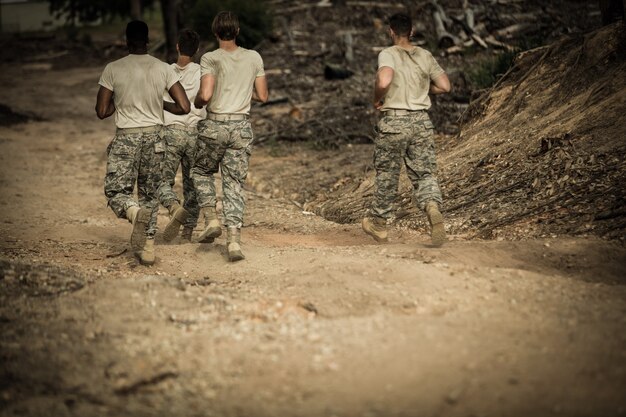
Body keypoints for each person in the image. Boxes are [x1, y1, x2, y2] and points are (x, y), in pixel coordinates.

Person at [96, 20, 190, 265]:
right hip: (155, 138)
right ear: (147, 41)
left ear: (127, 41)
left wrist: (123, 100)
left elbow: (101, 110)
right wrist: (158, 103)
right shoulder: (163, 69)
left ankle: (132, 212)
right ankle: (148, 248)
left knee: (116, 191)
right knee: (150, 194)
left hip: (127, 137)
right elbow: (184, 106)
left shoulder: (113, 68)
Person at [362, 13, 451, 247]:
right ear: (411, 32)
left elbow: (383, 81)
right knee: (425, 173)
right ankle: (432, 207)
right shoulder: (425, 55)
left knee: (388, 175)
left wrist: (377, 98)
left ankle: (379, 225)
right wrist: (422, 90)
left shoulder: (388, 54)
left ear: (391, 31)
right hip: (421, 122)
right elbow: (445, 85)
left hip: (395, 122)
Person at [193, 11, 268, 262]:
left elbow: (205, 94)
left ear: (215, 33)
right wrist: (243, 92)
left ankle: (211, 219)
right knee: (234, 183)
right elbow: (263, 96)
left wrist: (197, 101)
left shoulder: (210, 58)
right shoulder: (254, 57)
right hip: (241, 127)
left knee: (201, 171)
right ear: (236, 32)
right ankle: (234, 241)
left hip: (215, 125)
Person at [158, 29, 206, 243]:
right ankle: (187, 232)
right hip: (195, 133)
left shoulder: (165, 71)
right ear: (197, 50)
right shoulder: (203, 71)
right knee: (192, 184)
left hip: (171, 132)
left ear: (177, 46)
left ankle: (173, 206)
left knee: (162, 181)